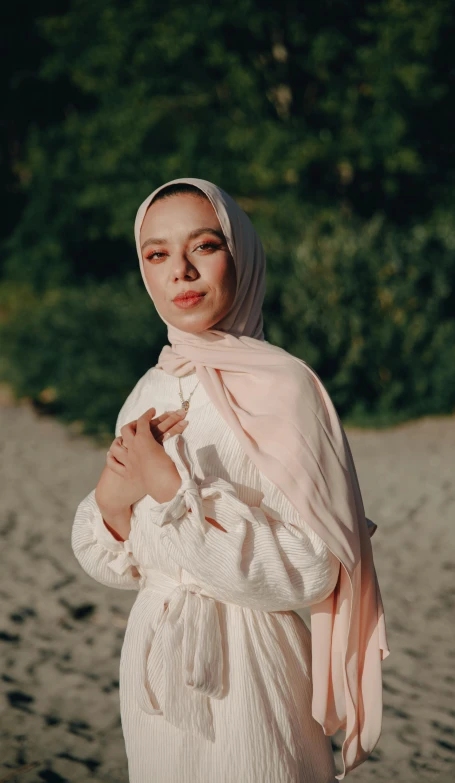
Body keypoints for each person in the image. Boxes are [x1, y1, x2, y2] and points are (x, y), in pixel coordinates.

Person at [71, 178, 390, 783]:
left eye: (205, 246)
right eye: (158, 254)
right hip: (154, 671)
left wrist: (173, 493)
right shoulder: (150, 388)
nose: (182, 272)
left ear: (239, 254)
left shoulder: (288, 388)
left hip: (253, 674)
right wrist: (113, 502)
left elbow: (314, 568)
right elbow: (122, 563)